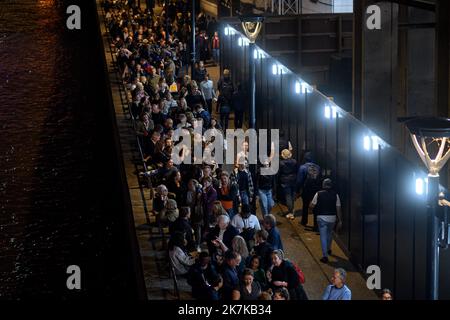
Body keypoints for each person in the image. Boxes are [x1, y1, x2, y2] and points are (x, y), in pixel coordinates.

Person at [309, 178, 343, 263]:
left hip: (321, 217)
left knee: (323, 236)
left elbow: (312, 205)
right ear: (331, 185)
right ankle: (328, 249)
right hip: (332, 218)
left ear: (323, 185)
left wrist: (310, 210)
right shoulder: (336, 195)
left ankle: (325, 256)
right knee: (330, 233)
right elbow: (338, 208)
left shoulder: (318, 194)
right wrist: (340, 220)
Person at [297, 151, 322, 230]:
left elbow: (299, 181)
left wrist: (297, 190)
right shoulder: (318, 167)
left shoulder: (302, 167)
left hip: (306, 189)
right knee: (315, 207)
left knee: (305, 205)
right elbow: (320, 178)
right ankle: (316, 225)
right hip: (316, 190)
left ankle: (304, 221)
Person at [278, 149, 298, 220]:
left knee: (288, 196)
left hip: (285, 181)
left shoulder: (281, 163)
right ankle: (292, 209)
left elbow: (279, 173)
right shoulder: (294, 161)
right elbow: (296, 170)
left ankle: (291, 212)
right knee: (292, 195)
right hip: (293, 180)